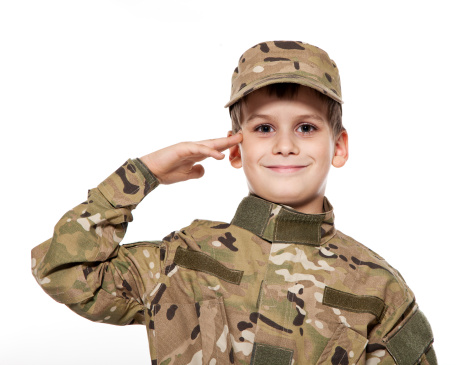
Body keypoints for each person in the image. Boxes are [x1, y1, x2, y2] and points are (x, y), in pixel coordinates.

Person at [31, 40, 436, 364]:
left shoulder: (378, 289)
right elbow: (63, 270)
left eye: (306, 127)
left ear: (339, 147)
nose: (284, 145)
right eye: (263, 128)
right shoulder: (185, 258)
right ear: (236, 148)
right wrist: (143, 173)